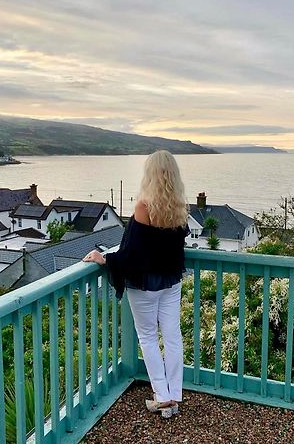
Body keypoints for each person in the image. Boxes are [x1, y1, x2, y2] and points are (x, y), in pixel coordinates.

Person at [83, 150, 189, 419]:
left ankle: (162, 397)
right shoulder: (178, 207)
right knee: (172, 335)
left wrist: (104, 258)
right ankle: (174, 393)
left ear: (150, 174)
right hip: (170, 281)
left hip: (145, 284)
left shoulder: (145, 206)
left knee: (149, 337)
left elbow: (133, 253)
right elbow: (173, 246)